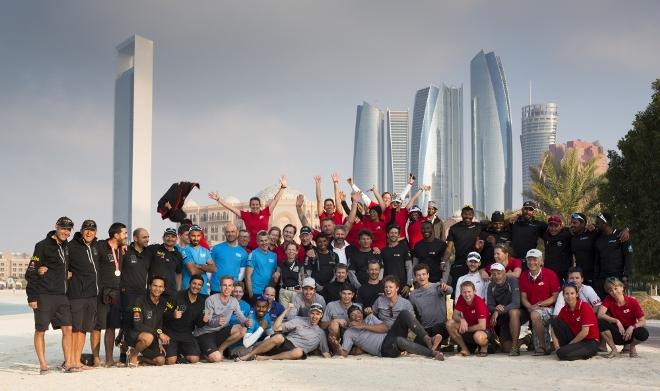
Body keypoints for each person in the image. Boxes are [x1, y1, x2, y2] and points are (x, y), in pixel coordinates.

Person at [26, 216, 76, 374]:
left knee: (68, 328)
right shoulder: (42, 246)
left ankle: (68, 363)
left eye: (68, 230)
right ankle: (43, 365)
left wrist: (66, 274)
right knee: (41, 330)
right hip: (44, 295)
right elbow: (31, 272)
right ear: (56, 227)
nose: (66, 232)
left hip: (62, 295)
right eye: (63, 228)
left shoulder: (66, 246)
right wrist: (32, 297)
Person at [330, 304, 444, 360]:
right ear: (349, 318)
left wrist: (363, 325)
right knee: (399, 341)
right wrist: (337, 346)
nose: (357, 316)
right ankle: (432, 353)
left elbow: (385, 328)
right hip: (384, 349)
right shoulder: (349, 333)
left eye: (358, 313)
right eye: (353, 315)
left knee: (404, 313)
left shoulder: (369, 318)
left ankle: (428, 339)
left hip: (389, 336)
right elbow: (344, 353)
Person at [208, 176, 287, 250]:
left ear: (260, 205)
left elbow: (275, 200)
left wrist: (282, 188)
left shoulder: (266, 212)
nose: (255, 206)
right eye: (253, 205)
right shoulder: (246, 215)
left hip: (264, 248)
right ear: (250, 206)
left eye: (257, 204)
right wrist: (219, 199)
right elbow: (231, 208)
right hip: (250, 248)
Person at [236, 302, 331, 361]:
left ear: (321, 316)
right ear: (309, 313)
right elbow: (276, 328)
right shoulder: (299, 320)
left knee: (299, 352)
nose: (314, 316)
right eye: (312, 313)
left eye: (317, 314)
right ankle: (249, 355)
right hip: (285, 343)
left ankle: (266, 358)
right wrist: (287, 309)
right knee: (279, 336)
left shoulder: (321, 333)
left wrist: (337, 347)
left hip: (295, 351)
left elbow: (326, 352)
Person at [92, 222, 128, 367]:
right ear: (116, 235)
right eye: (124, 233)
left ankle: (109, 359)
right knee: (96, 326)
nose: (126, 236)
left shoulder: (122, 249)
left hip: (117, 293)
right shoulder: (100, 246)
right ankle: (95, 359)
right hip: (101, 292)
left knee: (111, 326)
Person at [67, 219, 100, 370]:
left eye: (92, 230)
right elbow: (61, 264)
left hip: (92, 295)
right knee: (75, 329)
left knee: (83, 329)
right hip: (76, 294)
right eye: (86, 229)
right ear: (81, 231)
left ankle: (77, 360)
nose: (89, 232)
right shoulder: (71, 247)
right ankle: (71, 360)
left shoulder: (96, 246)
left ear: (95, 233)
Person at [193, 275, 249, 362]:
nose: (227, 288)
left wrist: (246, 321)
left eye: (229, 285)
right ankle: (203, 351)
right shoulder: (210, 299)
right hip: (205, 333)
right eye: (224, 285)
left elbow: (240, 316)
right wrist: (217, 322)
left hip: (220, 332)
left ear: (232, 287)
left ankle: (220, 349)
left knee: (242, 330)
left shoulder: (234, 301)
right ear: (220, 287)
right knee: (217, 358)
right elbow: (207, 321)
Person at [118, 228, 151, 362]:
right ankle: (122, 352)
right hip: (127, 295)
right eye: (144, 237)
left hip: (142, 295)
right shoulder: (125, 251)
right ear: (135, 238)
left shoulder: (148, 253)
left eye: (148, 237)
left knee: (137, 323)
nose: (147, 239)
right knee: (125, 325)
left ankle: (135, 349)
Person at [519, 249, 561, 355]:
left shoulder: (550, 274)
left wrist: (538, 305)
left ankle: (543, 347)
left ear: (541, 261)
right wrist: (530, 307)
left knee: (535, 314)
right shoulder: (523, 276)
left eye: (535, 259)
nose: (532, 262)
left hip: (551, 309)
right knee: (534, 314)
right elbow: (523, 297)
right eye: (529, 259)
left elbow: (555, 297)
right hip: (534, 309)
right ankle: (545, 346)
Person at [126, 275, 172, 367]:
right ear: (149, 286)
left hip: (152, 336)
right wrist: (159, 334)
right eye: (155, 285)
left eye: (160, 286)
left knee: (161, 361)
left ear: (163, 289)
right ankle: (134, 355)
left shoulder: (164, 303)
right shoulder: (140, 300)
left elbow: (161, 323)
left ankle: (138, 358)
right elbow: (138, 325)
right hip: (135, 335)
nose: (157, 289)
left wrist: (159, 341)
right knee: (148, 337)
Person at [598, 277, 649, 358]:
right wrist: (616, 321)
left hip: (630, 334)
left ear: (622, 287)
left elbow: (643, 321)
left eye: (616, 288)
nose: (614, 292)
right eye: (610, 290)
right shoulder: (608, 299)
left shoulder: (632, 302)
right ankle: (614, 350)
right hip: (617, 333)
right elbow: (600, 314)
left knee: (643, 333)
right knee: (600, 322)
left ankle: (631, 347)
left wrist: (632, 327)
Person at [549, 283, 600, 361]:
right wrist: (556, 346)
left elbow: (585, 332)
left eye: (572, 293)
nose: (569, 296)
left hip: (590, 342)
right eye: (566, 294)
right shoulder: (564, 309)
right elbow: (554, 327)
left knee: (562, 353)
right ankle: (569, 350)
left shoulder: (584, 307)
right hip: (576, 338)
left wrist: (570, 344)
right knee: (555, 321)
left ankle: (584, 353)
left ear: (576, 294)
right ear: (563, 295)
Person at [163, 275, 207, 365]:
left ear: (202, 287)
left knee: (194, 359)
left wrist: (204, 321)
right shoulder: (176, 296)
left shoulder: (202, 301)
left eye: (199, 285)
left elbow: (198, 324)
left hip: (186, 334)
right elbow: (163, 315)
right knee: (170, 361)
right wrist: (173, 315)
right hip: (171, 332)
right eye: (194, 283)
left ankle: (179, 353)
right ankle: (175, 353)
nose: (196, 286)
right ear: (189, 284)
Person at [409, 263, 453, 347]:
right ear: (415, 277)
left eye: (423, 274)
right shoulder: (413, 295)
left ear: (428, 275)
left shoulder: (437, 287)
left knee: (437, 331)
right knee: (416, 345)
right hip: (425, 329)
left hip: (441, 326)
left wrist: (446, 287)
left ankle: (435, 343)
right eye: (418, 275)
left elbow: (450, 290)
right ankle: (434, 344)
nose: (421, 277)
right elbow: (412, 313)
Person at [442, 205, 481, 294]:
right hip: (459, 264)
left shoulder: (478, 226)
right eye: (465, 214)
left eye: (470, 214)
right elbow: (449, 248)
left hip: (474, 264)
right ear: (462, 215)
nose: (467, 216)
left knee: (474, 292)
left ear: (473, 215)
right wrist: (443, 262)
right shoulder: (454, 228)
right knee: (457, 291)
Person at [486, 263, 523, 355]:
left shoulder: (512, 280)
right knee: (506, 348)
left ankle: (515, 347)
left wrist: (497, 311)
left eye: (499, 273)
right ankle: (526, 339)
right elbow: (490, 305)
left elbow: (516, 303)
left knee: (513, 312)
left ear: (504, 273)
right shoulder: (491, 285)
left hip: (519, 314)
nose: (496, 276)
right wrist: (495, 309)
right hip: (504, 317)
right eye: (494, 274)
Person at [593, 213, 633, 298]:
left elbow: (628, 257)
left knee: (619, 305)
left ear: (605, 223)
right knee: (603, 305)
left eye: (598, 223)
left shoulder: (621, 235)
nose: (596, 225)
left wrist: (626, 276)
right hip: (602, 279)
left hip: (618, 278)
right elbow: (596, 261)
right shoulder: (598, 239)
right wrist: (596, 279)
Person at [446, 281, 489, 357]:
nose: (467, 294)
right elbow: (455, 315)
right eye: (464, 292)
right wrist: (462, 319)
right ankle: (465, 349)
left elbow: (482, 326)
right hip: (470, 328)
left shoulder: (479, 301)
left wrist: (466, 329)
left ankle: (484, 346)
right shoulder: (461, 298)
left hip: (483, 330)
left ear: (474, 291)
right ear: (461, 293)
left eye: (469, 292)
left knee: (478, 337)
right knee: (450, 324)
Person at [210, 223, 248, 294]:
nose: (230, 234)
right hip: (216, 288)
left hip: (232, 290)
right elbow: (209, 267)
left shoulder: (243, 253)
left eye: (232, 231)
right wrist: (211, 281)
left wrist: (234, 284)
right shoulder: (216, 248)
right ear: (225, 233)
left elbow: (242, 272)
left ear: (237, 233)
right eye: (228, 232)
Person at [146, 228, 183, 299]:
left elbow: (179, 273)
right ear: (163, 238)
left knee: (169, 310)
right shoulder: (154, 249)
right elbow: (141, 248)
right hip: (154, 290)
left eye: (173, 236)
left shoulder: (178, 255)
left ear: (176, 239)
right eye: (167, 236)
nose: (170, 238)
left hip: (170, 292)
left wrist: (178, 290)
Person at [182, 225, 216, 295]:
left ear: (201, 236)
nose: (196, 238)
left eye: (198, 236)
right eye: (193, 236)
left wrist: (199, 266)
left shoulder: (205, 250)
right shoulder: (185, 251)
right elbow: (193, 271)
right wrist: (206, 268)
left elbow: (214, 269)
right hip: (188, 291)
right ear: (189, 236)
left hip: (203, 291)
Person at [245, 231, 277, 300]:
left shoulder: (274, 256)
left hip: (268, 293)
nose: (264, 243)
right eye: (261, 241)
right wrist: (251, 294)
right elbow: (247, 276)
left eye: (266, 240)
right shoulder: (253, 254)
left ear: (269, 240)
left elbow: (273, 274)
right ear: (257, 242)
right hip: (256, 292)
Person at [381, 225, 412, 295]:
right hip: (387, 287)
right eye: (391, 233)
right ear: (388, 235)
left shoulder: (404, 249)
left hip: (402, 286)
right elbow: (381, 270)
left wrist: (408, 285)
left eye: (395, 233)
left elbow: (409, 267)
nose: (393, 235)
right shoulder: (383, 251)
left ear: (399, 235)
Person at [542, 215, 573, 281]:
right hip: (549, 272)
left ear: (561, 226)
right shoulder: (545, 235)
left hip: (564, 274)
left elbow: (580, 230)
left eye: (556, 226)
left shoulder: (568, 235)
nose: (553, 229)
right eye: (551, 226)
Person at [275, 242, 304, 307]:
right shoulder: (281, 264)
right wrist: (276, 275)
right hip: (284, 292)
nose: (291, 251)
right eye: (289, 249)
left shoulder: (300, 265)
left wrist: (302, 289)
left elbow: (303, 279)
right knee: (284, 313)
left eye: (293, 250)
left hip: (296, 292)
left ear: (297, 252)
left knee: (294, 313)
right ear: (285, 251)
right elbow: (276, 277)